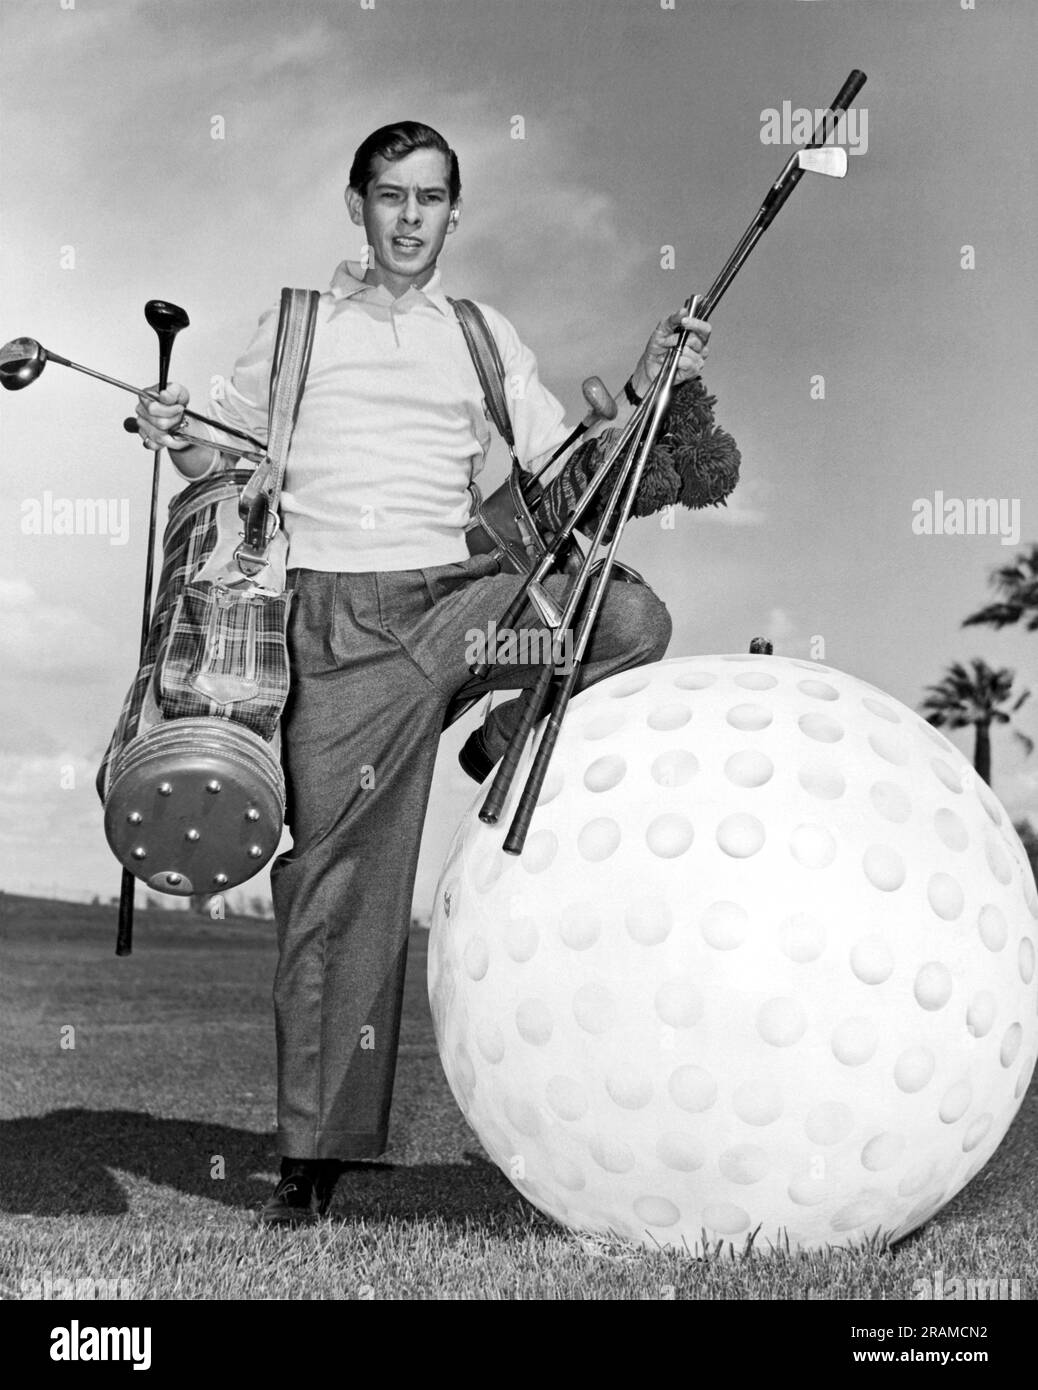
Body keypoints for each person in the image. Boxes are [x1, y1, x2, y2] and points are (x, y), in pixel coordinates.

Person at [135, 121, 712, 1226]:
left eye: (432, 198)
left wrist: (646, 379)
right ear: (356, 204)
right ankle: (313, 1157)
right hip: (336, 621)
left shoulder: (480, 333)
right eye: (390, 195)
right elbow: (220, 445)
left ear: (455, 211)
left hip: (460, 597)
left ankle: (493, 739)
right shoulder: (296, 322)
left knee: (626, 615)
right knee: (339, 892)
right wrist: (177, 434)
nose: (411, 217)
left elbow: (561, 471)